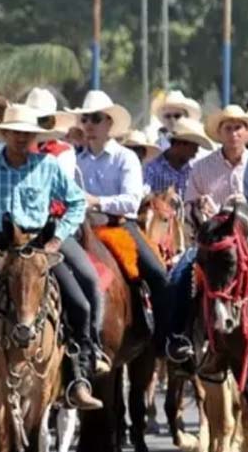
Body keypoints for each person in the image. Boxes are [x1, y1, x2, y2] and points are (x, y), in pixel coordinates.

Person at [0, 105, 104, 410]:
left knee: (80, 301)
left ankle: (79, 376)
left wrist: (56, 239)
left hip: (40, 243)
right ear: (4, 133)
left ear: (34, 137)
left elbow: (76, 203)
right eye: (15, 132)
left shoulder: (47, 166)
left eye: (26, 133)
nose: (20, 138)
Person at [70, 90, 187, 361]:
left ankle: (167, 339)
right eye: (85, 119)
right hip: (81, 230)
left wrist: (96, 201)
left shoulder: (125, 158)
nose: (89, 125)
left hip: (119, 227)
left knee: (159, 274)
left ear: (109, 123)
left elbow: (131, 202)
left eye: (95, 119)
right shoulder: (74, 158)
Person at [169, 105, 248, 360]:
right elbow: (188, 207)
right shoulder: (201, 167)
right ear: (219, 133)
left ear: (247, 132)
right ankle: (181, 335)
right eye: (228, 128)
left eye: (238, 128)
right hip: (211, 243)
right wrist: (199, 208)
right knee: (180, 274)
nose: (233, 133)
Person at [143, 117, 213, 196]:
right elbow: (145, 194)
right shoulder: (152, 168)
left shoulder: (196, 169)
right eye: (194, 147)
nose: (196, 151)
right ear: (180, 144)